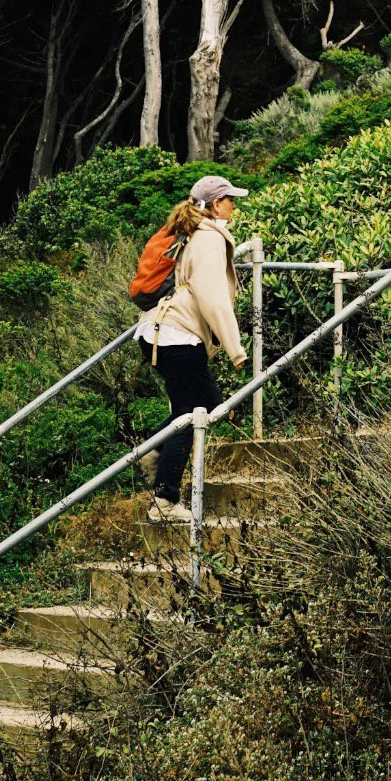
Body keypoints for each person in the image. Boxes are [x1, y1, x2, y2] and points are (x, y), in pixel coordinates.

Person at [137, 174, 249, 521]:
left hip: (157, 332)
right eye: (230, 199)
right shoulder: (210, 239)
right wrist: (236, 350)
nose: (234, 205)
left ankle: (152, 449)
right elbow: (213, 298)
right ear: (216, 205)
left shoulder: (188, 232)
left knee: (202, 406)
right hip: (177, 337)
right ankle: (166, 500)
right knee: (194, 413)